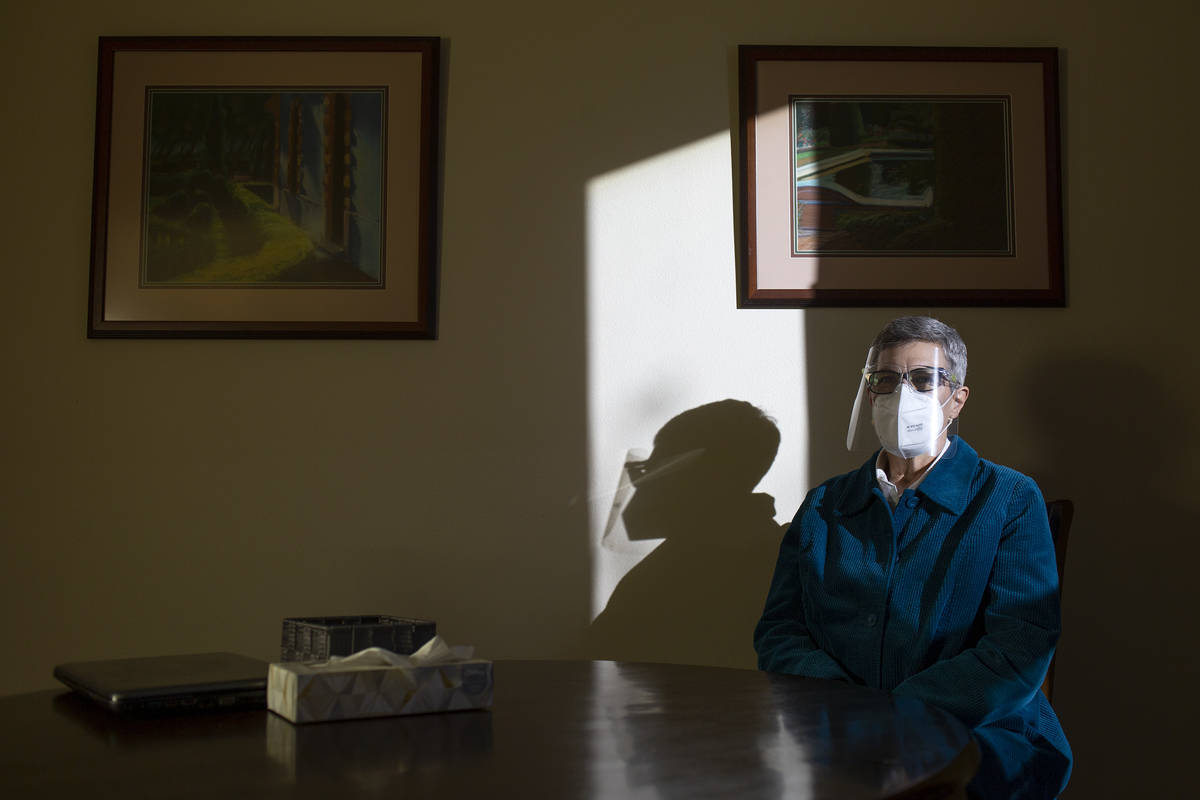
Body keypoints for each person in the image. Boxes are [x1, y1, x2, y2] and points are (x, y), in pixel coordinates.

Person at [754, 316, 1071, 799]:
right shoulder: (825, 504)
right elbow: (780, 630)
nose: (903, 395)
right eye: (885, 380)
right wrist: (844, 706)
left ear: (957, 399)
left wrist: (895, 714)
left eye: (926, 379)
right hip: (836, 728)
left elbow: (1021, 644)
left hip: (980, 733)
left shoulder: (1008, 499)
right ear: (870, 394)